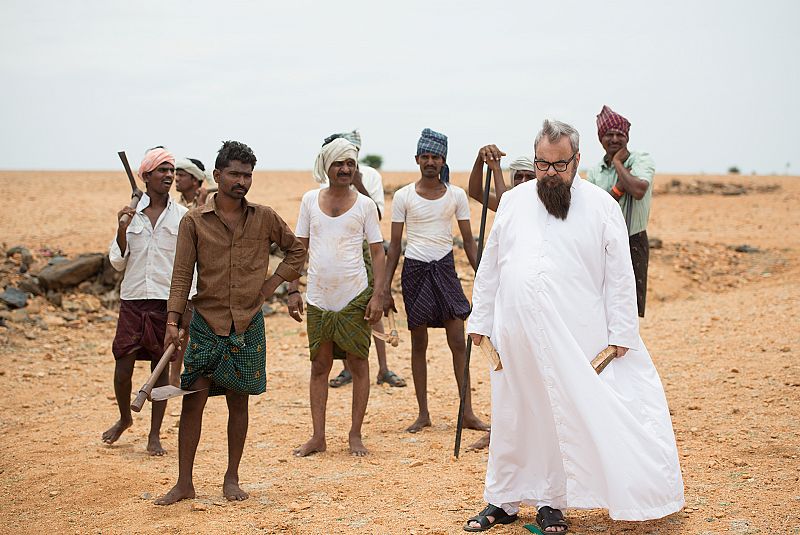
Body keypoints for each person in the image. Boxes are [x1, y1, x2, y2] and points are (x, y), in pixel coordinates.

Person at [464, 120, 683, 532]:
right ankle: (502, 499)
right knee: (512, 416)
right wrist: (481, 320)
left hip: (575, 333)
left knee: (556, 416)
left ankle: (551, 502)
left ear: (576, 161)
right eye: (542, 165)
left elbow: (620, 273)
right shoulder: (513, 202)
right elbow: (491, 264)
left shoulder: (601, 205)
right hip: (513, 333)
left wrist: (622, 333)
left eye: (559, 165)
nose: (549, 173)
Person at [155, 141, 306, 505]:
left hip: (248, 323)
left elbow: (297, 249)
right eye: (235, 174)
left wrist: (271, 285)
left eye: (248, 175)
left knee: (239, 402)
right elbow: (181, 274)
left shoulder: (265, 217)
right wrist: (173, 320)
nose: (242, 181)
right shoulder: (194, 221)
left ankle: (232, 478)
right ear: (218, 175)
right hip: (206, 321)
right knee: (193, 400)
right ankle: (184, 483)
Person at [384, 128, 490, 434]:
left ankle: (467, 412)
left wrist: (483, 277)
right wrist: (382, 291)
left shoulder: (456, 195)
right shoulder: (403, 196)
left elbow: (469, 242)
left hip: (444, 270)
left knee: (458, 340)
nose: (430, 161)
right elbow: (393, 249)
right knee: (419, 343)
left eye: (436, 156)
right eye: (425, 156)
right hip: (415, 271)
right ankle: (423, 413)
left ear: (443, 159)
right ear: (417, 159)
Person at [289, 138, 386, 457]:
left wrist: (378, 295)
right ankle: (318, 436)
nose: (345, 169)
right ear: (326, 166)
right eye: (338, 164)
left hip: (356, 296)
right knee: (320, 365)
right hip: (318, 297)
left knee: (359, 362)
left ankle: (355, 435)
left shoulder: (365, 205)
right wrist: (292, 288)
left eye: (350, 164)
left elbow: (376, 251)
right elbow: (299, 248)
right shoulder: (308, 201)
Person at [102, 147, 191, 456]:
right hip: (133, 301)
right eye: (162, 170)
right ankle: (126, 417)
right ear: (146, 176)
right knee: (123, 368)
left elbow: (189, 263)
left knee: (161, 372)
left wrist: (185, 308)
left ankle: (155, 434)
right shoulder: (131, 215)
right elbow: (117, 261)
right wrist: (122, 229)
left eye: (171, 170)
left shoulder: (182, 217)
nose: (169, 175)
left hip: (166, 304)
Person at [320, 130, 406, 390]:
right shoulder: (323, 181)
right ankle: (347, 368)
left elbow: (376, 213)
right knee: (340, 307)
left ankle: (383, 368)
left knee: (372, 306)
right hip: (338, 254)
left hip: (364, 251)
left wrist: (358, 183)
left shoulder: (370, 176)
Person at [586, 105, 655, 317]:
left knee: (629, 308)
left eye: (620, 134)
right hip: (603, 243)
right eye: (609, 134)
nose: (615, 139)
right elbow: (596, 210)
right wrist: (618, 187)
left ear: (627, 138)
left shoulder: (641, 159)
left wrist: (617, 163)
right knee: (602, 304)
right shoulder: (595, 171)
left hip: (633, 240)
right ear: (601, 139)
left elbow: (638, 189)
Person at [467, 146, 536, 211]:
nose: (523, 181)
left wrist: (496, 169)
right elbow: (475, 193)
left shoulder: (542, 206)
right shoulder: (512, 201)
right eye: (519, 177)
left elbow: (505, 205)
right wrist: (480, 158)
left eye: (530, 177)